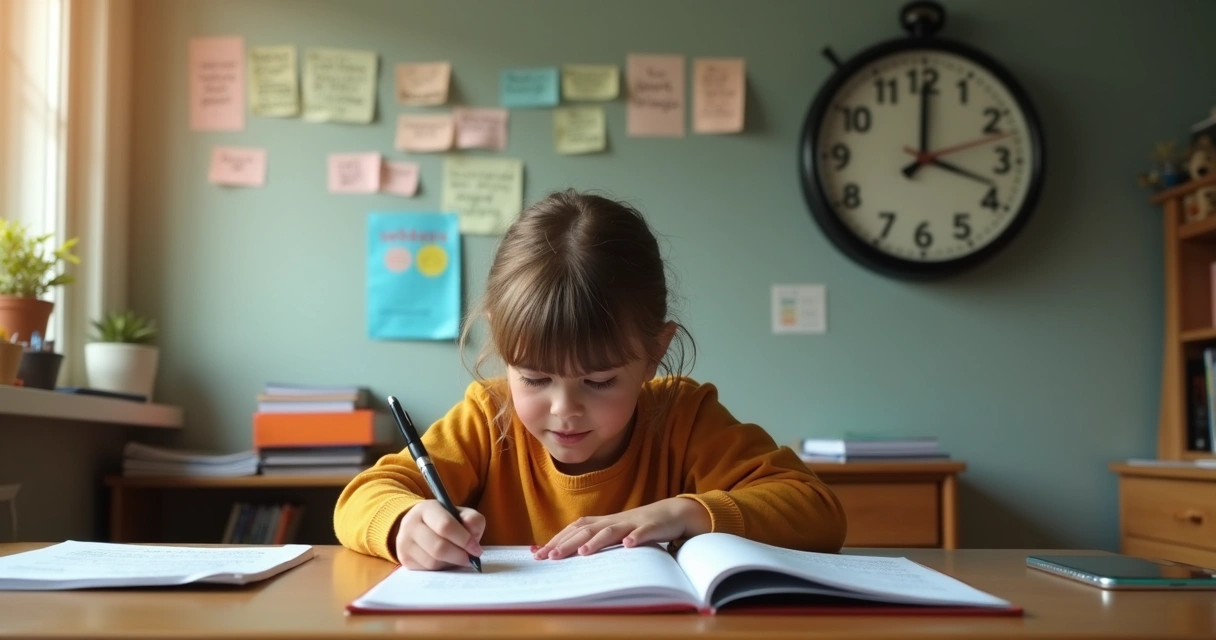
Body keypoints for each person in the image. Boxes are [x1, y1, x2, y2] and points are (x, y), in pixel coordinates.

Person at [333, 189, 847, 570]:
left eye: (599, 381)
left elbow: (817, 510)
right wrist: (405, 525)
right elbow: (365, 496)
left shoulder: (684, 418)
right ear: (504, 349)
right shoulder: (488, 418)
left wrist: (684, 513)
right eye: (534, 377)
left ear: (653, 353)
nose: (564, 409)